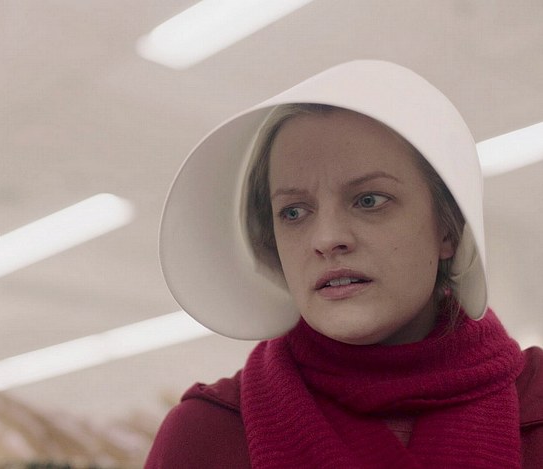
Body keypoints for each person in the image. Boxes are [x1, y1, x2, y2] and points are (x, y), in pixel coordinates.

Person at [146, 60, 543, 468]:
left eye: (369, 200)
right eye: (294, 212)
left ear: (448, 230)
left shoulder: (536, 407)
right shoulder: (204, 436)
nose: (326, 239)